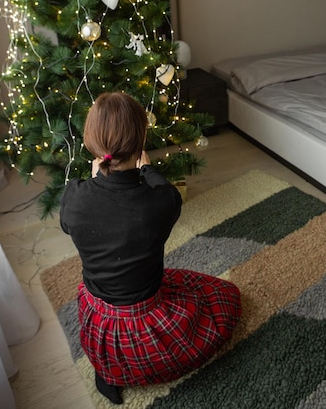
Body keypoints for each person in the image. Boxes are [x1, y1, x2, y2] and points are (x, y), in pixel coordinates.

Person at [60, 92, 241, 405]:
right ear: (140, 140)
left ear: (92, 142)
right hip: (148, 313)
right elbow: (164, 190)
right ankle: (134, 365)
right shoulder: (161, 203)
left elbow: (73, 223)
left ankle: (108, 371)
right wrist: (147, 169)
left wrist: (94, 182)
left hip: (99, 315)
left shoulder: (74, 195)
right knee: (224, 298)